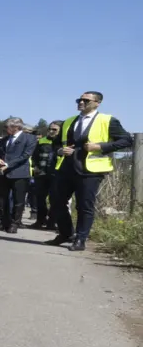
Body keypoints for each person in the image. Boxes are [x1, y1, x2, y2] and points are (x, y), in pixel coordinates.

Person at [50, 91, 132, 251]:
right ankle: (66, 233)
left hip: (91, 170)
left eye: (85, 100)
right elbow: (56, 144)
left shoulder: (107, 120)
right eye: (79, 100)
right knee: (56, 202)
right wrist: (60, 151)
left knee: (84, 206)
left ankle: (80, 239)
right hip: (66, 168)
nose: (81, 103)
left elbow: (126, 140)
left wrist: (101, 146)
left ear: (97, 103)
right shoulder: (68, 122)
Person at [0, 117, 35, 234]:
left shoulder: (29, 138)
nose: (6, 129)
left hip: (19, 174)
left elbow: (25, 156)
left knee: (18, 201)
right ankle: (2, 222)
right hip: (2, 173)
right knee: (2, 200)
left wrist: (8, 164)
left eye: (8, 127)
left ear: (17, 127)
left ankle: (15, 223)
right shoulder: (4, 139)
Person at [29, 121, 61, 230]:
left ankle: (51, 222)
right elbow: (34, 156)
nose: (51, 131)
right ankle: (40, 220)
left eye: (54, 129)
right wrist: (35, 166)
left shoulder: (63, 142)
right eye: (50, 129)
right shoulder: (42, 141)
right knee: (40, 199)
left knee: (55, 200)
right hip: (41, 174)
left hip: (56, 175)